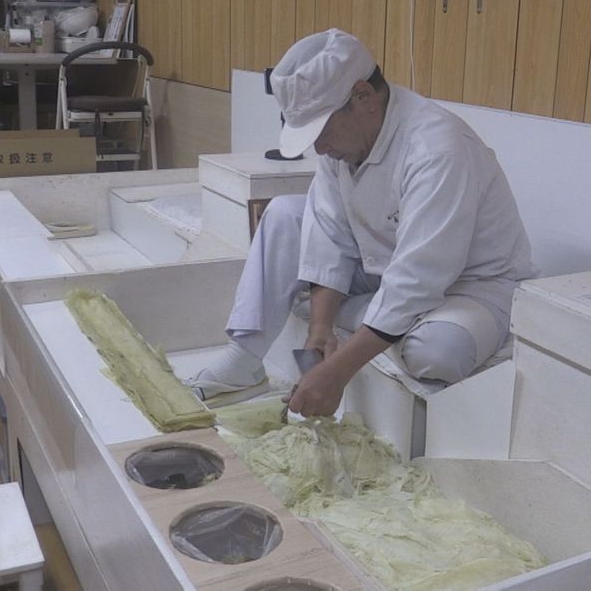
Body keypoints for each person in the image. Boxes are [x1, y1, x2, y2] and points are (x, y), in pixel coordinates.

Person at [186, 28, 536, 417]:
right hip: (383, 267)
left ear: (363, 97)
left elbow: (418, 277)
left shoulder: (437, 149)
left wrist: (337, 372)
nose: (318, 147)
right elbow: (327, 230)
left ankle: (378, 320)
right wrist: (320, 329)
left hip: (470, 285)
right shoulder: (343, 143)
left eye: (321, 131)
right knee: (285, 213)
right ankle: (243, 361)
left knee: (438, 352)